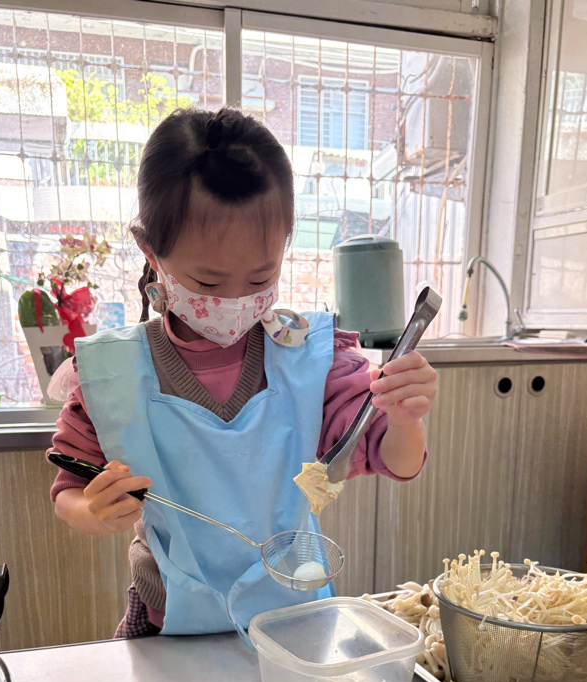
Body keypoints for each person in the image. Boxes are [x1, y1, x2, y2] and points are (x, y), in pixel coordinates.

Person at [49, 106, 437, 640]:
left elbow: (396, 460)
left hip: (292, 617)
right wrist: (95, 511)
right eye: (207, 283)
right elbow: (68, 488)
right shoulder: (113, 374)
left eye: (261, 278)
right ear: (151, 252)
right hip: (167, 620)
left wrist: (406, 416)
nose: (235, 300)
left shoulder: (309, 358)